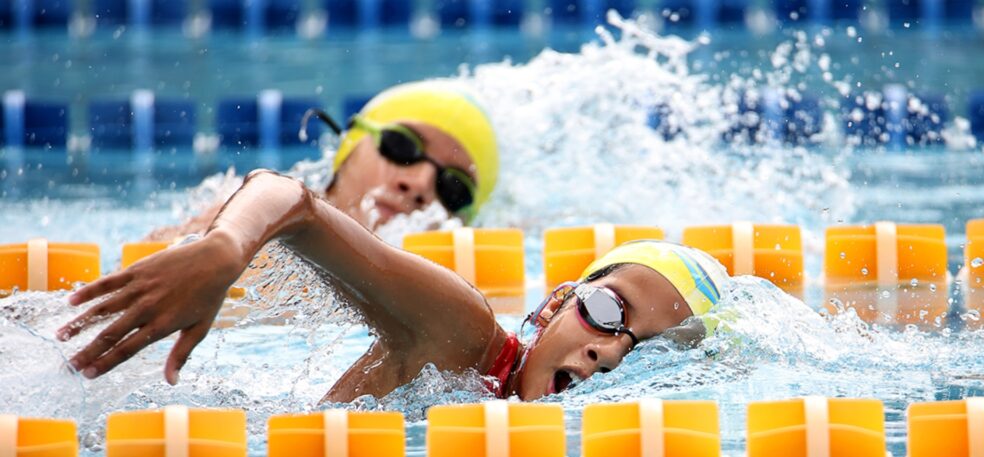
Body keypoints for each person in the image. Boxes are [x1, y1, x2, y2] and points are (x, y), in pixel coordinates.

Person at [56, 171, 729, 402]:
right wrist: (224, 250)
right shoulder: (462, 337)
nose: (611, 352)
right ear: (555, 304)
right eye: (610, 311)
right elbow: (288, 199)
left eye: (645, 350)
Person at [147, 80, 500, 240]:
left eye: (454, 188)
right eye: (402, 147)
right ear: (350, 146)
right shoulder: (240, 217)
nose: (419, 184)